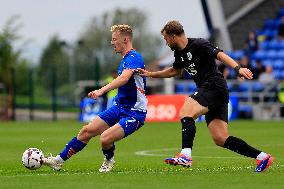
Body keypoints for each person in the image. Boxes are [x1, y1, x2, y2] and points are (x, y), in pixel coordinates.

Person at [137, 20, 273, 172]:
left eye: (166, 39)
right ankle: (262, 157)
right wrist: (151, 74)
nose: (166, 42)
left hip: (214, 86)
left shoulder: (199, 44)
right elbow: (175, 71)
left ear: (173, 36)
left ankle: (185, 155)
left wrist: (238, 68)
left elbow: (220, 55)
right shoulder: (179, 53)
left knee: (186, 112)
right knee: (220, 138)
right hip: (213, 91)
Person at [43, 24, 147, 173]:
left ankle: (109, 160)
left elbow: (124, 78)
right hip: (119, 107)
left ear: (125, 40)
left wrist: (101, 90)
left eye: (114, 39)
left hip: (135, 112)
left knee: (105, 139)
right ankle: (58, 161)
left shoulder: (134, 57)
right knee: (86, 131)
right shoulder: (125, 59)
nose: (112, 42)